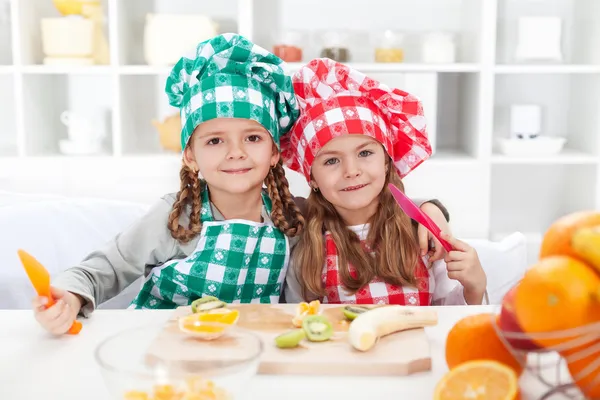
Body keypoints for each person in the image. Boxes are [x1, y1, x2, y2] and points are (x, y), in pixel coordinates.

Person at [32, 33, 305, 334]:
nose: (236, 152)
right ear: (190, 156)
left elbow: (295, 304)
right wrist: (69, 297)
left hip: (245, 351)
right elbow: (106, 269)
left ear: (274, 152)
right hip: (161, 350)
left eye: (252, 138)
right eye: (215, 140)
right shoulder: (177, 216)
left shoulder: (289, 220)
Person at [282, 58, 487, 305]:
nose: (352, 171)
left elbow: (452, 319)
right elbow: (300, 324)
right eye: (331, 161)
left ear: (388, 161)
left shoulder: (424, 237)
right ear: (311, 177)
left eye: (365, 153)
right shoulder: (307, 252)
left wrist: (475, 288)